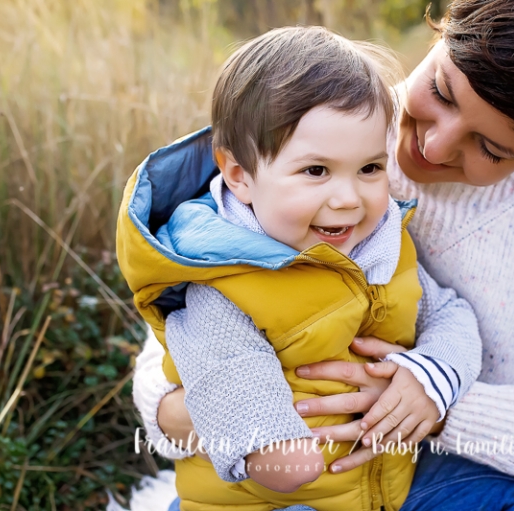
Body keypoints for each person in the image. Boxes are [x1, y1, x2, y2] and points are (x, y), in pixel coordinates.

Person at [133, 0, 514, 509]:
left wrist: (437, 408)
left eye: (492, 148)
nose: (433, 147)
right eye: (442, 92)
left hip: (432, 471)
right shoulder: (316, 126)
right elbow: (182, 326)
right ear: (441, 27)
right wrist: (235, 418)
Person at [117, 26, 484, 511]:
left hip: (374, 492)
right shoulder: (223, 280)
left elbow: (449, 314)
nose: (348, 198)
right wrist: (270, 444)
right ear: (239, 176)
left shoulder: (384, 245)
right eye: (316, 171)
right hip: (257, 501)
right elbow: (224, 367)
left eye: (370, 169)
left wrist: (432, 376)